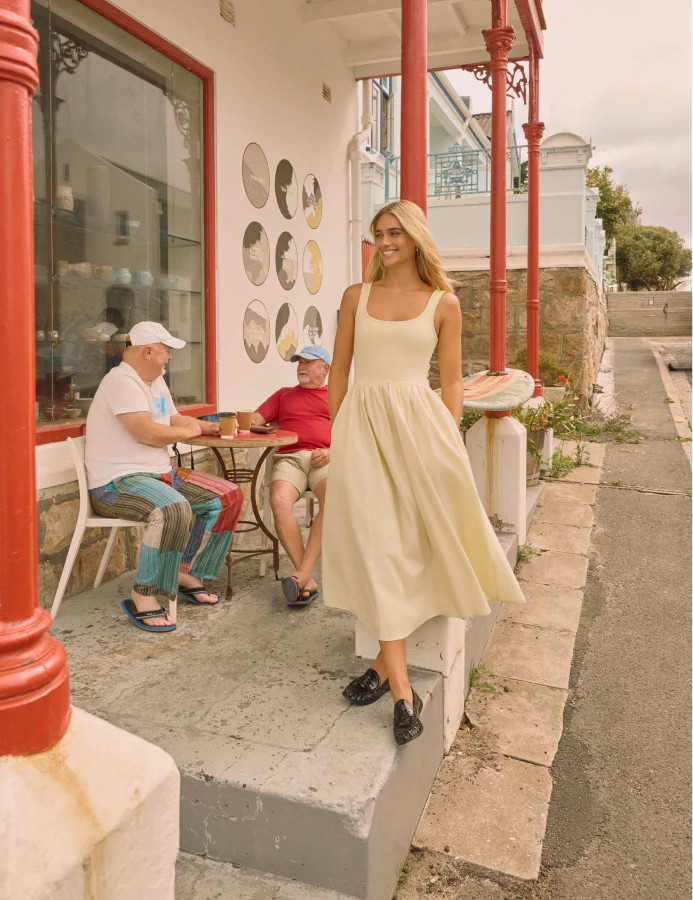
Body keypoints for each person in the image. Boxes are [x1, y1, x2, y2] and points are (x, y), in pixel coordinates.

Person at [322, 200, 525, 746]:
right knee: (379, 549)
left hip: (421, 432)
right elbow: (338, 371)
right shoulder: (354, 297)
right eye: (378, 233)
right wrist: (339, 432)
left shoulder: (444, 303)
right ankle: (403, 695)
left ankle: (383, 669)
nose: (384, 241)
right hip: (363, 430)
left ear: (414, 238)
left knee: (415, 547)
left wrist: (450, 436)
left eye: (394, 232)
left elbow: (453, 379)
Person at [85, 321, 244, 633]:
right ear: (147, 351)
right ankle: (142, 593)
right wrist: (188, 430)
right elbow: (147, 433)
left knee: (227, 497)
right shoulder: (121, 382)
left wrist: (210, 426)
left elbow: (170, 418)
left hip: (159, 474)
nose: (169, 358)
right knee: (172, 509)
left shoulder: (155, 382)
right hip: (117, 482)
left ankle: (186, 571)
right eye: (166, 351)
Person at [252, 346, 331, 607]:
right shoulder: (283, 395)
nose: (302, 367)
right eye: (299, 363)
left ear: (325, 369)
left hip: (326, 458)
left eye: (309, 363)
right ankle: (305, 576)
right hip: (291, 458)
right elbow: (255, 419)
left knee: (332, 501)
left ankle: (301, 576)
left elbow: (356, 432)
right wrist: (241, 420)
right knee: (278, 501)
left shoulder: (336, 396)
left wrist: (332, 450)